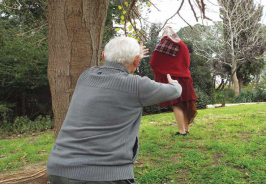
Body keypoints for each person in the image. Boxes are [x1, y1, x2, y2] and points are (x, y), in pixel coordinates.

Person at [46, 37, 182, 184]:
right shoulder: (136, 86)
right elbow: (174, 91)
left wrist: (134, 58)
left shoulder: (86, 76)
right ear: (136, 61)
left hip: (57, 169)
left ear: (103, 56)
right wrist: (175, 83)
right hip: (101, 175)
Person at [150, 27, 198, 136]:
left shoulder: (159, 48)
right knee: (185, 104)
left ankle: (181, 131)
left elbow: (153, 63)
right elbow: (187, 62)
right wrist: (181, 69)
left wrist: (164, 72)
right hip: (184, 78)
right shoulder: (182, 46)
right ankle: (186, 129)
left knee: (177, 105)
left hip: (171, 79)